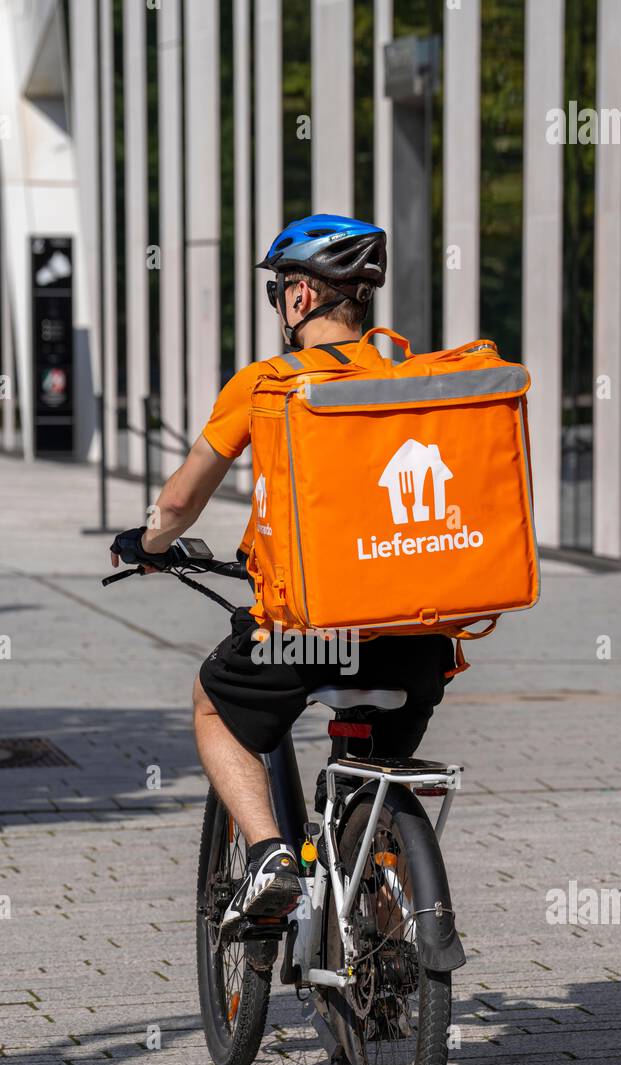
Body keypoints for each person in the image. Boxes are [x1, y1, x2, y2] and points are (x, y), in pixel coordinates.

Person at [110, 214, 458, 924]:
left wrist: (147, 542)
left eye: (280, 293)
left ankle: (270, 856)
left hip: (310, 637)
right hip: (419, 641)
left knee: (215, 702)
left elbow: (178, 502)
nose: (279, 307)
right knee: (377, 788)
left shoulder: (270, 381)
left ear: (302, 298)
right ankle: (387, 953)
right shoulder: (409, 382)